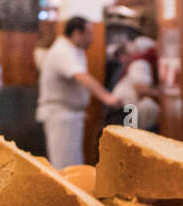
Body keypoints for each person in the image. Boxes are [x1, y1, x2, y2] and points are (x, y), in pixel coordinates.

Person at [36, 16, 120, 167]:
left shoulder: (74, 50)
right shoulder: (62, 51)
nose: (92, 38)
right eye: (89, 33)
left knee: (73, 164)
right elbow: (82, 77)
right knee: (65, 167)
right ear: (76, 33)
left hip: (70, 115)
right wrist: (106, 97)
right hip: (61, 115)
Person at [106, 35, 160, 130]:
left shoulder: (137, 63)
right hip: (123, 112)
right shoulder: (141, 63)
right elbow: (141, 90)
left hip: (122, 111)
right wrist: (162, 94)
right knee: (149, 105)